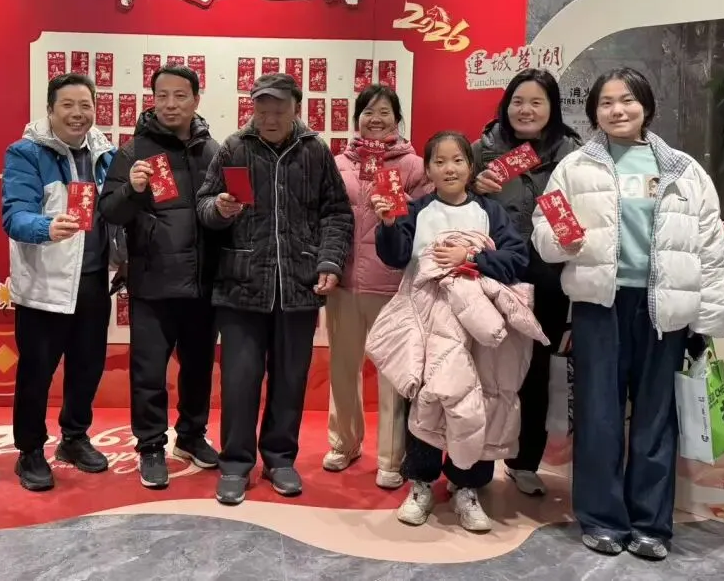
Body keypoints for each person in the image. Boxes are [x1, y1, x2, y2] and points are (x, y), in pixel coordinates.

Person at [531, 67, 724, 560]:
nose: (617, 110)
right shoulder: (575, 167)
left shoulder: (684, 170)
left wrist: (711, 317)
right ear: (594, 112)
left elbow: (712, 246)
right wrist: (561, 240)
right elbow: (544, 229)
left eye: (627, 100)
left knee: (655, 418)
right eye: (606, 102)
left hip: (664, 306)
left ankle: (651, 524)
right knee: (598, 414)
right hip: (599, 305)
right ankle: (602, 519)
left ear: (646, 106)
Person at [197, 72, 354, 506]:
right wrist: (219, 209)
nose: (269, 117)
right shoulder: (234, 148)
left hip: (299, 285)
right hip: (242, 284)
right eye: (262, 109)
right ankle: (235, 463)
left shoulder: (315, 151)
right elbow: (204, 206)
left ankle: (280, 459)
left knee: (290, 379)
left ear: (296, 108)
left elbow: (336, 213)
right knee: (239, 380)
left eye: (278, 109)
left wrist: (328, 262)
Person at [371, 131, 537, 532]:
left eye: (458, 160)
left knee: (477, 398)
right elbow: (395, 256)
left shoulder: (490, 211)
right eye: (440, 161)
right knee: (428, 396)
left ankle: (468, 486)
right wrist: (389, 223)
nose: (449, 169)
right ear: (427, 169)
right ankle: (421, 482)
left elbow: (517, 258)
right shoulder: (417, 209)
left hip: (476, 324)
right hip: (428, 320)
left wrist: (472, 256)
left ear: (471, 166)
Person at [98, 65, 221, 489]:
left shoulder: (213, 151)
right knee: (148, 373)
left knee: (199, 368)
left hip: (203, 283)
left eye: (180, 96)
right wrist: (131, 189)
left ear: (196, 100)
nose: (170, 104)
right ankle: (151, 446)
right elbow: (110, 212)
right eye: (162, 96)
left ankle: (191, 436)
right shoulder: (134, 151)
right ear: (152, 100)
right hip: (152, 282)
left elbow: (223, 213)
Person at [2, 72, 119, 492]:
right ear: (50, 109)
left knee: (88, 367)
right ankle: (30, 450)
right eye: (67, 105)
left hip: (93, 281)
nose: (77, 113)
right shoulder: (26, 153)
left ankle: (74, 437)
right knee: (36, 373)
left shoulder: (107, 155)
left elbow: (117, 213)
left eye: (85, 105)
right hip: (44, 286)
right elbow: (14, 214)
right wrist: (46, 227)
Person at [472, 68, 581, 497]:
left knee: (536, 371)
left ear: (552, 108)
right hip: (496, 272)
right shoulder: (481, 150)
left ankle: (524, 462)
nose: (526, 110)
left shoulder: (574, 156)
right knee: (485, 365)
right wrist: (476, 188)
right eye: (518, 101)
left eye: (537, 102)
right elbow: (451, 200)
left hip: (549, 278)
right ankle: (474, 463)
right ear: (506, 105)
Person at [323, 84, 431, 489]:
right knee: (342, 368)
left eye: (385, 112)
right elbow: (326, 216)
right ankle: (344, 442)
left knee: (392, 375)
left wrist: (398, 209)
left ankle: (391, 457)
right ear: (357, 119)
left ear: (397, 119)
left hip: (391, 286)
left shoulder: (415, 167)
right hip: (345, 283)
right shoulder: (338, 164)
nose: (376, 119)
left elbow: (423, 223)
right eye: (368, 112)